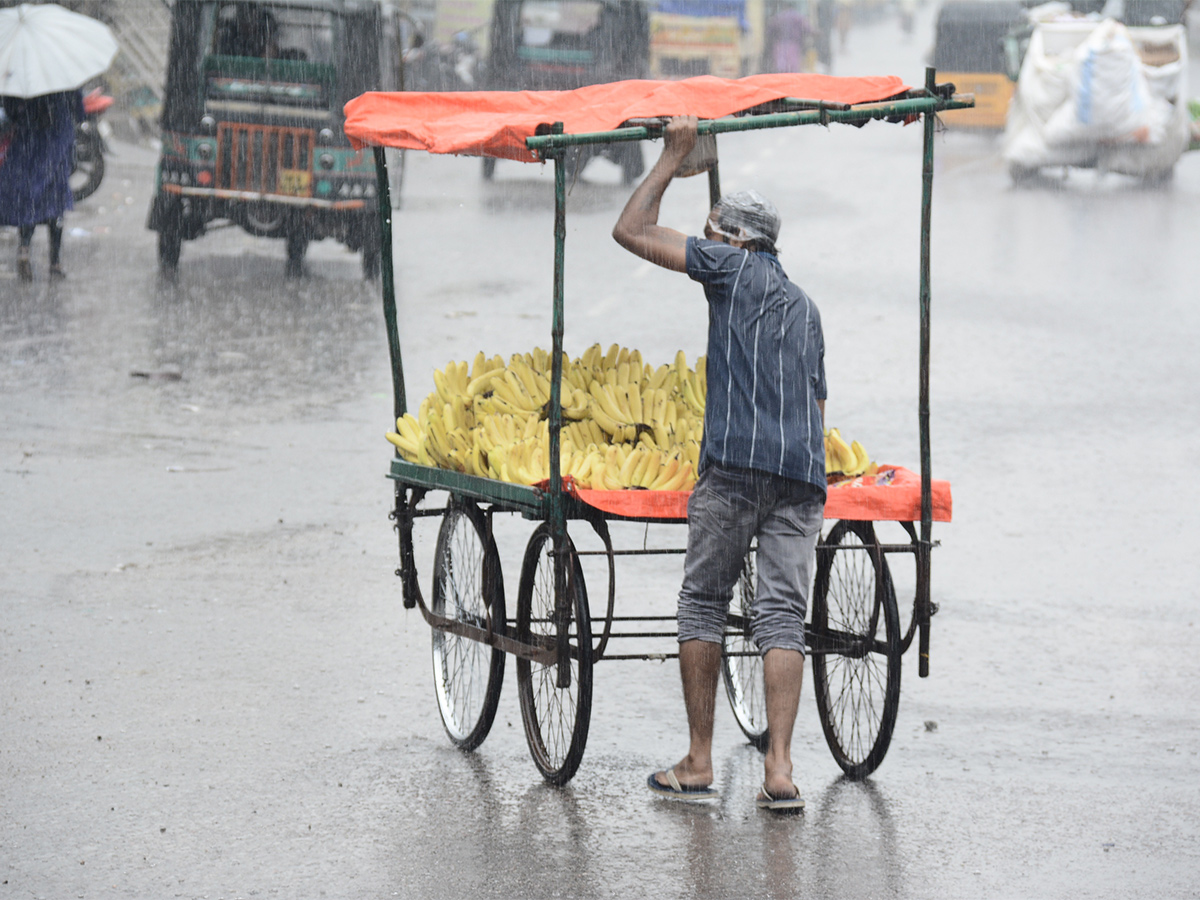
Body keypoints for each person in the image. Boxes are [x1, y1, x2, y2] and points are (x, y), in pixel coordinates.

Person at [612, 117, 827, 812]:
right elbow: (817, 402)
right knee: (783, 618)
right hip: (801, 475)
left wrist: (673, 158)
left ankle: (700, 760)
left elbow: (632, 229)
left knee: (702, 601)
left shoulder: (729, 267)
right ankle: (782, 770)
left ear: (735, 243)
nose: (704, 245)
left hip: (734, 466)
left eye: (711, 234)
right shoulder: (807, 306)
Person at [0, 90, 84, 282]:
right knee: (55, 203)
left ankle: (24, 248)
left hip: (27, 141)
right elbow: (79, 111)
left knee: (29, 198)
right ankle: (55, 263)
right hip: (57, 142)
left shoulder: (23, 74)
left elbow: (11, 109)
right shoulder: (64, 72)